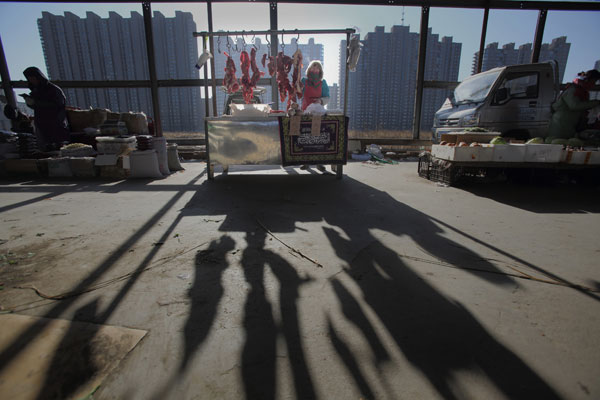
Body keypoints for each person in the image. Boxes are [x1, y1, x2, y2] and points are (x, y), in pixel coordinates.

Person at [21, 66, 70, 150]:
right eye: (29, 79)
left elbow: (58, 105)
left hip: (56, 125)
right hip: (42, 126)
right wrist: (30, 102)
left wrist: (36, 102)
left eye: (33, 78)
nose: (32, 81)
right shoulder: (36, 91)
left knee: (60, 149)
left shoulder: (53, 90)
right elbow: (37, 107)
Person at [548, 69, 600, 140]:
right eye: (593, 82)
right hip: (560, 125)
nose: (593, 85)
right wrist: (596, 102)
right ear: (587, 80)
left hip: (569, 125)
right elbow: (574, 106)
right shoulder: (573, 89)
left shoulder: (581, 91)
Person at [300, 60, 330, 172]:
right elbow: (298, 91)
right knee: (305, 137)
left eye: (317, 67)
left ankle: (319, 163)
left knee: (317, 138)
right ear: (309, 69)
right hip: (305, 111)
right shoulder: (304, 81)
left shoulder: (323, 83)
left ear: (320, 71)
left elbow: (327, 97)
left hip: (318, 113)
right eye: (313, 67)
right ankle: (305, 162)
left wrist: (321, 101)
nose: (315, 69)